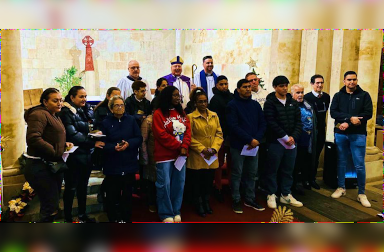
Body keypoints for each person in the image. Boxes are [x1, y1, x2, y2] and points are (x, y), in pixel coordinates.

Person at [24, 88, 73, 222]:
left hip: (50, 166)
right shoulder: (39, 114)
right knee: (49, 207)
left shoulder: (53, 114)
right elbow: (33, 138)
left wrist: (63, 144)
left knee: (52, 205)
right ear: (45, 101)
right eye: (55, 100)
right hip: (41, 167)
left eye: (61, 100)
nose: (59, 103)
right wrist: (54, 151)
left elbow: (51, 135)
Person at [59, 86, 105, 223]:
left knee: (83, 186)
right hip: (74, 156)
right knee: (71, 188)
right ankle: (68, 217)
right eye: (81, 96)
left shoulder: (84, 110)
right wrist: (92, 142)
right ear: (72, 97)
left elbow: (89, 126)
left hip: (86, 155)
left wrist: (95, 132)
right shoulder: (66, 112)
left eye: (85, 96)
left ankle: (82, 214)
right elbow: (72, 134)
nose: (84, 99)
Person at [330, 71, 373, 208]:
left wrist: (348, 122)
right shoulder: (338, 96)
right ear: (344, 81)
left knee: (359, 164)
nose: (351, 82)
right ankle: (341, 187)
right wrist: (349, 119)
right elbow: (333, 112)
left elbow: (368, 113)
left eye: (354, 80)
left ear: (357, 80)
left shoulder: (364, 95)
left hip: (358, 134)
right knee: (341, 161)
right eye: (349, 80)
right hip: (341, 133)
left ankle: (361, 193)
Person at [100, 95, 142, 222]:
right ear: (111, 108)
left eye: (122, 105)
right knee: (113, 195)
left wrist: (128, 144)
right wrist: (113, 147)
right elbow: (101, 143)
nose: (120, 107)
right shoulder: (105, 122)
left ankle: (126, 219)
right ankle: (113, 219)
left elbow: (138, 138)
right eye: (117, 105)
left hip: (129, 163)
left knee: (128, 195)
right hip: (113, 164)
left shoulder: (131, 120)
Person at [226, 79, 266, 214]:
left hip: (254, 145)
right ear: (238, 89)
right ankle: (236, 199)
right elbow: (233, 126)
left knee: (252, 173)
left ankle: (250, 198)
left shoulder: (255, 105)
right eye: (244, 87)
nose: (248, 89)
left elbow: (262, 123)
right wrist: (249, 139)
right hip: (239, 145)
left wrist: (257, 139)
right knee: (237, 173)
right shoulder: (232, 105)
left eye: (249, 87)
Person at [152, 86, 191, 223]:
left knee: (179, 184)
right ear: (167, 96)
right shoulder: (158, 113)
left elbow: (188, 131)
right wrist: (179, 146)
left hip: (180, 156)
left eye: (178, 95)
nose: (177, 97)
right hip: (164, 156)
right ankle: (165, 213)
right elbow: (160, 134)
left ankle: (176, 211)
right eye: (174, 95)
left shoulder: (182, 113)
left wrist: (185, 146)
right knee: (165, 185)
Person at [263, 76, 303, 209]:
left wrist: (293, 137)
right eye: (281, 86)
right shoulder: (270, 102)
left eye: (286, 85)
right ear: (275, 87)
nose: (285, 88)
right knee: (272, 169)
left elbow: (298, 121)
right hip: (276, 142)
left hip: (291, 142)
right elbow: (271, 122)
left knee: (288, 169)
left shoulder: (293, 102)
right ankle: (271, 193)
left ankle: (286, 194)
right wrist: (285, 136)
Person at [186, 89, 223, 217]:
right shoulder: (190, 117)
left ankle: (207, 201)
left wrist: (214, 148)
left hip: (211, 155)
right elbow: (188, 137)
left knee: (208, 181)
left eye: (205, 101)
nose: (203, 104)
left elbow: (219, 134)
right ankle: (199, 203)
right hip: (198, 155)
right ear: (195, 103)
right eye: (200, 102)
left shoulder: (214, 115)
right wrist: (202, 148)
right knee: (197, 182)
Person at [208, 75, 233, 202]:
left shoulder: (232, 96)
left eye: (226, 84)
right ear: (217, 85)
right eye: (221, 84)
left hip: (232, 134)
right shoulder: (214, 100)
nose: (224, 86)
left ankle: (230, 185)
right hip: (220, 135)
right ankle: (218, 187)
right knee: (218, 163)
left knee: (231, 162)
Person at [304, 74, 330, 189]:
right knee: (308, 155)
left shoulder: (326, 97)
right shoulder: (307, 97)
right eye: (317, 83)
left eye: (321, 82)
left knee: (317, 155)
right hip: (309, 132)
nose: (320, 85)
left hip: (321, 130)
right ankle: (305, 179)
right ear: (312, 84)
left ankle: (312, 178)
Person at [291, 84, 318, 195]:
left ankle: (301, 182)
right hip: (295, 139)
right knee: (294, 164)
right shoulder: (291, 105)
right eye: (298, 92)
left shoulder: (308, 105)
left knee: (303, 162)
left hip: (307, 139)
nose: (300, 95)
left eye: (302, 92)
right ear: (292, 93)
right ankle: (291, 187)